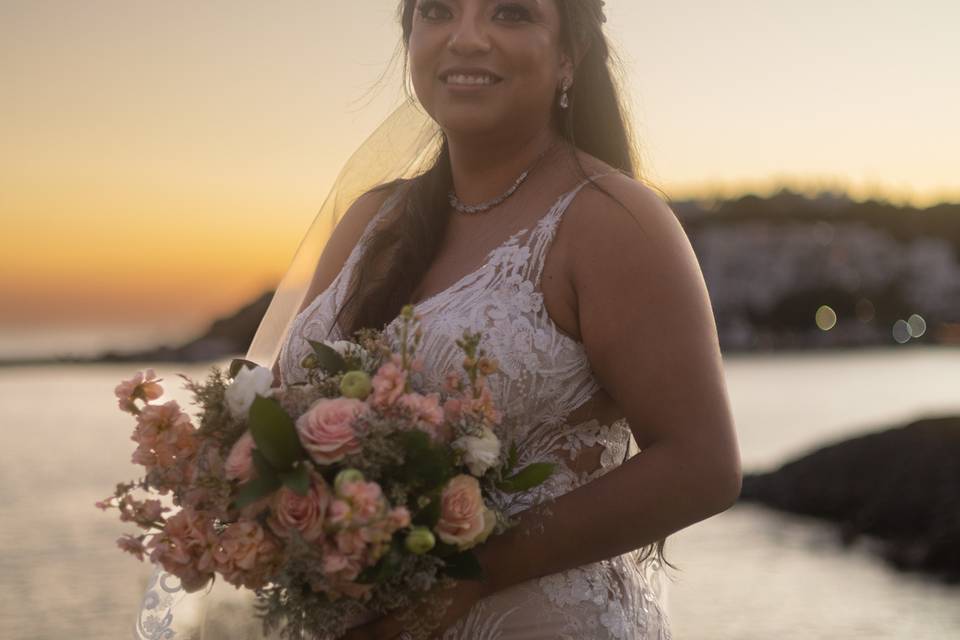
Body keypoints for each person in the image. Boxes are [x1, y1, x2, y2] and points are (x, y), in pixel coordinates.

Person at [135, 1, 741, 638]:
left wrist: (462, 579)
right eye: (439, 11)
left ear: (570, 55)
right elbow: (286, 422)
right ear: (410, 41)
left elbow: (701, 466)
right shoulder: (373, 223)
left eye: (510, 13)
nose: (468, 38)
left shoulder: (610, 220)